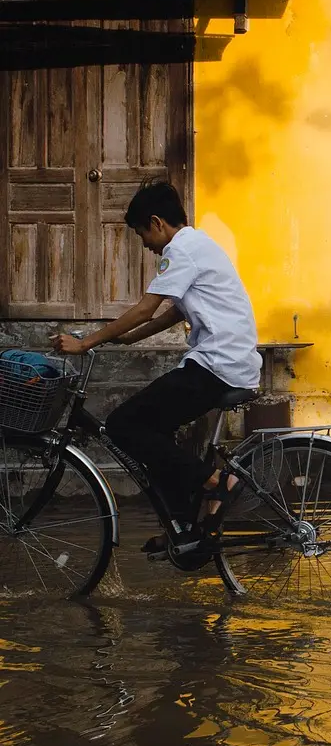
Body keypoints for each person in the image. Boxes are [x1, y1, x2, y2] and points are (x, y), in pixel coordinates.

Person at [52, 181, 261, 550]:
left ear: (157, 222)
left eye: (141, 234)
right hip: (225, 360)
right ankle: (183, 527)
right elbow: (176, 310)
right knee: (154, 433)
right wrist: (131, 338)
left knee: (122, 424)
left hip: (217, 364)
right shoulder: (199, 244)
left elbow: (148, 307)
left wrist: (86, 343)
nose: (145, 244)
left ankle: (218, 481)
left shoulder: (181, 250)